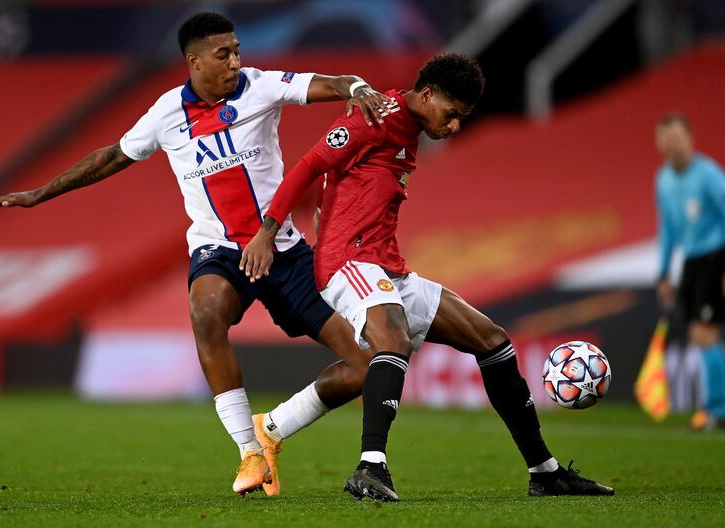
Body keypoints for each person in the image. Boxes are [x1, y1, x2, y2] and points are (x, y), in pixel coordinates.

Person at [0, 11, 393, 496]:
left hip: (282, 250)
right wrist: (38, 194)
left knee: (366, 367)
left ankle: (274, 428)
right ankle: (249, 452)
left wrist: (360, 88)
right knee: (206, 311)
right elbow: (111, 156)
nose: (236, 62)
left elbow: (332, 82)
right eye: (224, 54)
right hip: (217, 250)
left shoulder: (262, 87)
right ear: (194, 61)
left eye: (238, 50)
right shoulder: (165, 113)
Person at [241, 53, 615, 501]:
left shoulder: (408, 129)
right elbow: (309, 165)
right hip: (347, 262)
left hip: (387, 265)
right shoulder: (375, 115)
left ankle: (545, 472)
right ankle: (370, 468)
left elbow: (350, 181)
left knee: (492, 341)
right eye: (452, 113)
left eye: (461, 119)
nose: (454, 126)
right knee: (392, 341)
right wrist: (267, 231)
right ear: (427, 94)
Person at [654, 113, 725, 430]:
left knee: (703, 332)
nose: (671, 144)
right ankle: (716, 408)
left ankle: (716, 410)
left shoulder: (708, 174)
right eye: (665, 138)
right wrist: (664, 272)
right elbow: (668, 229)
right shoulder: (663, 180)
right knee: (702, 333)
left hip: (715, 257)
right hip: (691, 263)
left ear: (689, 138)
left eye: (676, 137)